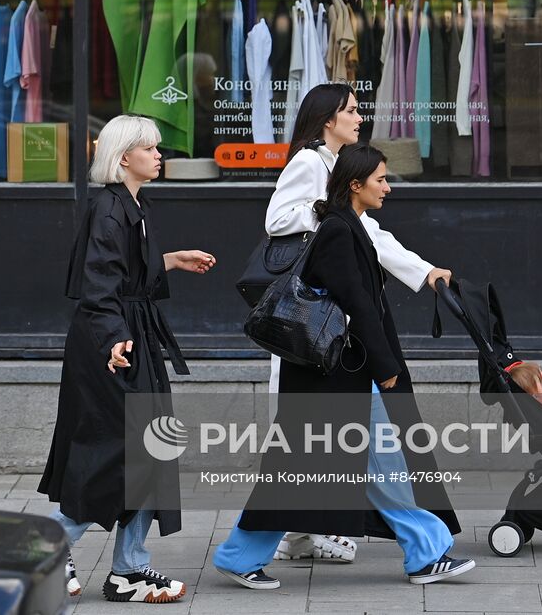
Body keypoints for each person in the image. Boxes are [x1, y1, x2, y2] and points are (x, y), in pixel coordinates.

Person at [214, 143, 471, 590]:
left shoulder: (348, 225)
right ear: (356, 185)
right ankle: (424, 552)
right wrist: (386, 366)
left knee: (358, 464)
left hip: (337, 372)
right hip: (332, 375)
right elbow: (358, 304)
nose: (388, 188)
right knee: (319, 467)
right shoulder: (337, 230)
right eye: (381, 180)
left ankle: (425, 551)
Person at [262, 83, 454, 564]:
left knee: (319, 434)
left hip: (336, 323)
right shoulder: (310, 162)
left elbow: (374, 236)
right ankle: (419, 543)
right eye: (350, 110)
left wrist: (422, 271)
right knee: (332, 433)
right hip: (317, 320)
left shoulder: (336, 165)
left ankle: (288, 536)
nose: (359, 116)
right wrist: (328, 209)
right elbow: (276, 219)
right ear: (327, 118)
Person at [38, 114, 217, 604]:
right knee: (116, 451)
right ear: (123, 158)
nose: (159, 155)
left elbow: (125, 272)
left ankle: (130, 570)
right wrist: (115, 339)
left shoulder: (130, 204)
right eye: (150, 148)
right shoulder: (110, 209)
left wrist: (171, 259)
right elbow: (99, 285)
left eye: (158, 147)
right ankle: (46, 551)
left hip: (126, 337)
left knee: (149, 450)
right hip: (112, 344)